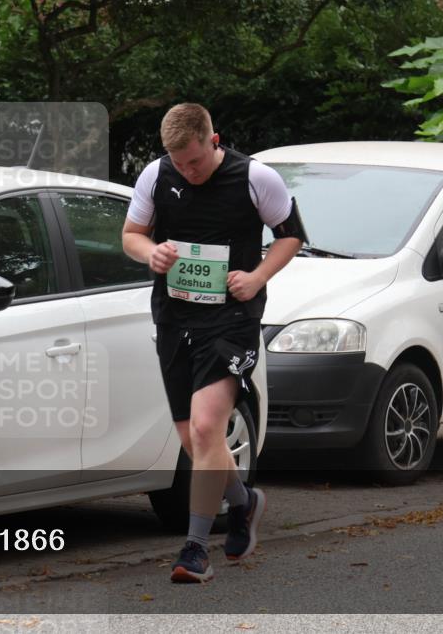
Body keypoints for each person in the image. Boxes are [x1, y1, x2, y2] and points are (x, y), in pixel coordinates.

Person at [122, 103, 306, 583]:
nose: (188, 171)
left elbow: (291, 237)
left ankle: (195, 549)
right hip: (174, 317)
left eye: (195, 161)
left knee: (206, 429)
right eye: (179, 164)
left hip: (232, 319)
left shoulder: (256, 178)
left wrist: (258, 275)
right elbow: (131, 235)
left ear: (213, 140)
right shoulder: (154, 177)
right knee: (193, 439)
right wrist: (152, 252)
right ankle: (244, 504)